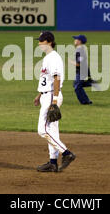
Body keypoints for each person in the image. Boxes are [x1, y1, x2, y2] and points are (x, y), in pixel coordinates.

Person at [34, 31, 76, 172]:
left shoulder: (54, 58)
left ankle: (67, 153)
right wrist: (39, 95)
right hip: (47, 95)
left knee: (42, 130)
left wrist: (55, 100)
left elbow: (57, 78)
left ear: (49, 42)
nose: (39, 44)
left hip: (52, 96)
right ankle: (53, 162)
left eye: (41, 41)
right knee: (52, 131)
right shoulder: (48, 58)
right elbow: (47, 80)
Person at [71, 34, 93, 105]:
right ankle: (86, 100)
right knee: (76, 85)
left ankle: (84, 101)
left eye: (76, 39)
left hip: (81, 72)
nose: (74, 40)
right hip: (83, 71)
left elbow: (78, 64)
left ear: (79, 41)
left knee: (77, 87)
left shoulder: (79, 50)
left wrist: (70, 62)